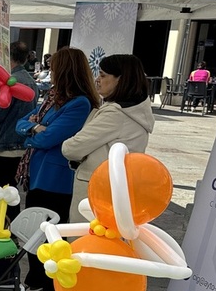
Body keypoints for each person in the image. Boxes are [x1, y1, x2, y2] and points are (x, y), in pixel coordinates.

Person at [15, 47, 99, 291]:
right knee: (35, 231)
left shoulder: (79, 103)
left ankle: (47, 284)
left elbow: (47, 138)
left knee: (50, 235)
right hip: (38, 173)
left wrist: (34, 131)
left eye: (53, 67)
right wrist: (34, 129)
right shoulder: (53, 98)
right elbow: (22, 124)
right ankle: (35, 279)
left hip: (56, 178)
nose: (49, 71)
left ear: (65, 71)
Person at [62, 54, 154, 221]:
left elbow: (70, 148)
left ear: (121, 80)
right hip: (116, 189)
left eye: (103, 75)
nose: (98, 80)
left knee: (84, 243)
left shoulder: (115, 114)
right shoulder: (136, 111)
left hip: (96, 191)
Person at [0, 41, 38, 219]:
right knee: (10, 191)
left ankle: (8, 229)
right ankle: (9, 228)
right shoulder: (30, 81)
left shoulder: (8, 83)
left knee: (3, 192)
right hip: (19, 144)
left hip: (2, 144)